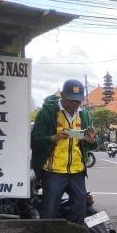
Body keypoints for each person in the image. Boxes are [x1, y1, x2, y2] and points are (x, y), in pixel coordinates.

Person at [30, 79, 97, 224]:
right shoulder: (47, 113)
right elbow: (34, 140)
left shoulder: (84, 115)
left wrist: (92, 141)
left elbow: (93, 144)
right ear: (62, 95)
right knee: (49, 212)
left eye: (78, 101)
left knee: (79, 210)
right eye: (70, 100)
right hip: (53, 172)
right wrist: (52, 138)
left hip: (77, 171)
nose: (74, 104)